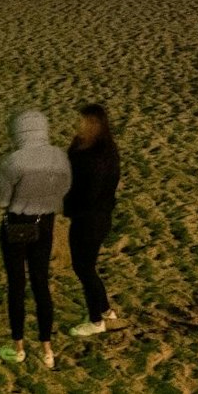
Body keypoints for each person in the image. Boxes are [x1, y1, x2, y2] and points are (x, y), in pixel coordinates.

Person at [0, 108, 72, 369]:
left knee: (16, 286)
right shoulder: (59, 157)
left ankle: (18, 347)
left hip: (17, 225)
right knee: (41, 284)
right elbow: (65, 189)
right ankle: (47, 349)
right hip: (45, 223)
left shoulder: (12, 161)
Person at [64, 102, 121, 338]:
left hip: (90, 218)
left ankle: (96, 321)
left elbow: (89, 192)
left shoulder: (99, 156)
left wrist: (66, 205)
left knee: (84, 268)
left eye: (83, 121)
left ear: (95, 125)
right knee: (87, 266)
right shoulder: (85, 147)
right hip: (92, 215)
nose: (77, 125)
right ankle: (106, 311)